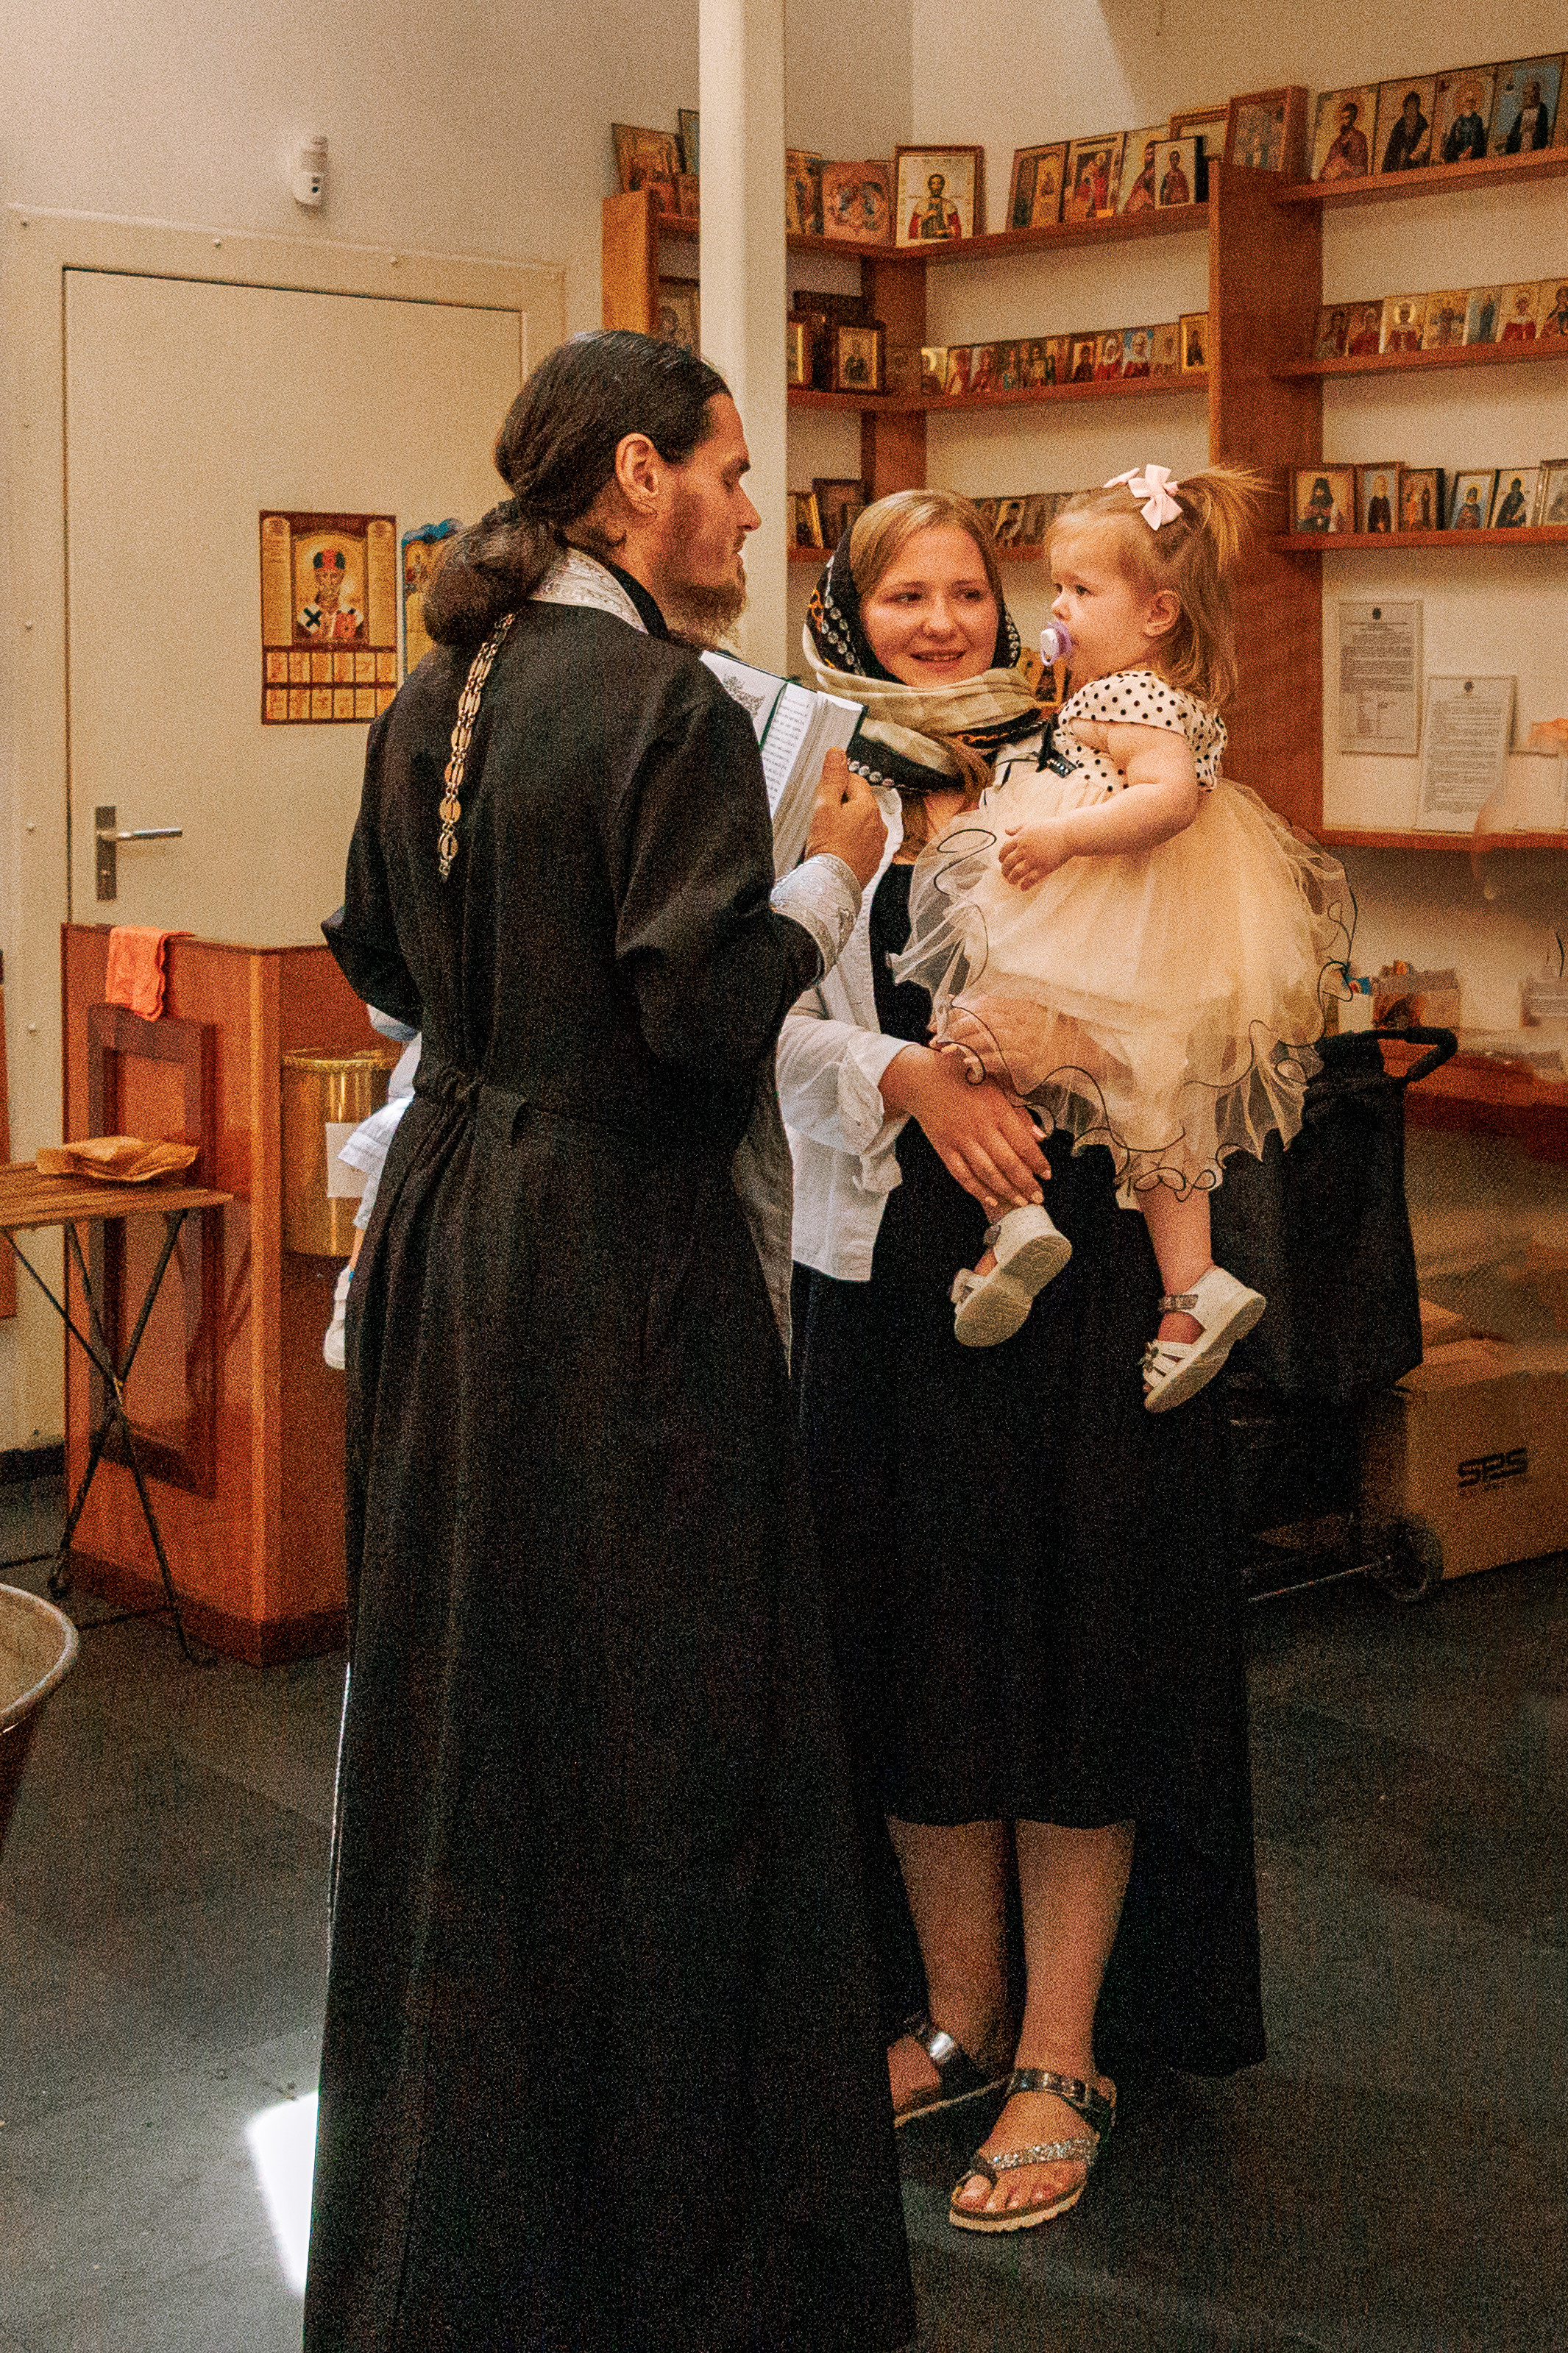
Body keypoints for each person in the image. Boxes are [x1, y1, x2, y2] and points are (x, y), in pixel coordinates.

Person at [305, 329, 914, 2352]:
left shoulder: (443, 683)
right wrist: (833, 872)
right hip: (612, 1273)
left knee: (475, 1715)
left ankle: (460, 2236)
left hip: (454, 1233)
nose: (748, 509)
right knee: (660, 1730)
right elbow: (702, 1019)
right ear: (636, 478)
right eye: (727, 470)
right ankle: (668, 2259)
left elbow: (376, 951)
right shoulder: (659, 702)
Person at [785, 488, 1268, 2235]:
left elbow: (1189, 987)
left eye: (966, 593)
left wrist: (1073, 1064)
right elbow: (747, 1026)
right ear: (845, 616)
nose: (940, 621)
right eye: (899, 595)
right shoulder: (812, 778)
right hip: (887, 1266)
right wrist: (910, 1080)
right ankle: (955, 2013)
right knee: (917, 1633)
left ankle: (1066, 2048)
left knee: (1077, 1633)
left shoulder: (1077, 755)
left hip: (1076, 1264)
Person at [893, 465, 1348, 1405]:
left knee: (973, 1039)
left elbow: (1168, 799)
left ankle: (1014, 1221)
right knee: (1157, 1106)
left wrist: (1062, 838)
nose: (1057, 608)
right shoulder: (1148, 690)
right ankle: (1191, 1286)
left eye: (1079, 589)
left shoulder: (1126, 697)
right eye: (1055, 586)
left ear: (1157, 613)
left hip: (1113, 909)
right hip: (1166, 923)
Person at [1380, 88, 1430, 171]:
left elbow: (1424, 148)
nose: (1410, 112)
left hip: (1416, 166)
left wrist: (1410, 157)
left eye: (1413, 108)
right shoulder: (1400, 125)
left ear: (1417, 109)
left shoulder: (1422, 124)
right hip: (1399, 165)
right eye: (1408, 108)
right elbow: (1392, 149)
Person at [1319, 97, 1369, 179]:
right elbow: (1330, 159)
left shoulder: (1359, 136)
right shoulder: (1339, 140)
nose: (1345, 121)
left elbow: (1361, 164)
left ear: (1353, 118)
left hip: (1351, 175)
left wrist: (1345, 165)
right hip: (1336, 175)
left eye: (1348, 117)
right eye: (1343, 118)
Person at [1441, 80, 1489, 160]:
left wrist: (1470, 151)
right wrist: (1457, 155)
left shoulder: (1477, 120)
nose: (1469, 104)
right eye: (1467, 101)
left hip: (1473, 156)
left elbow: (1480, 140)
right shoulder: (1458, 121)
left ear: (1474, 103)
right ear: (1463, 103)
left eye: (1471, 101)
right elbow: (1452, 141)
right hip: (1458, 157)